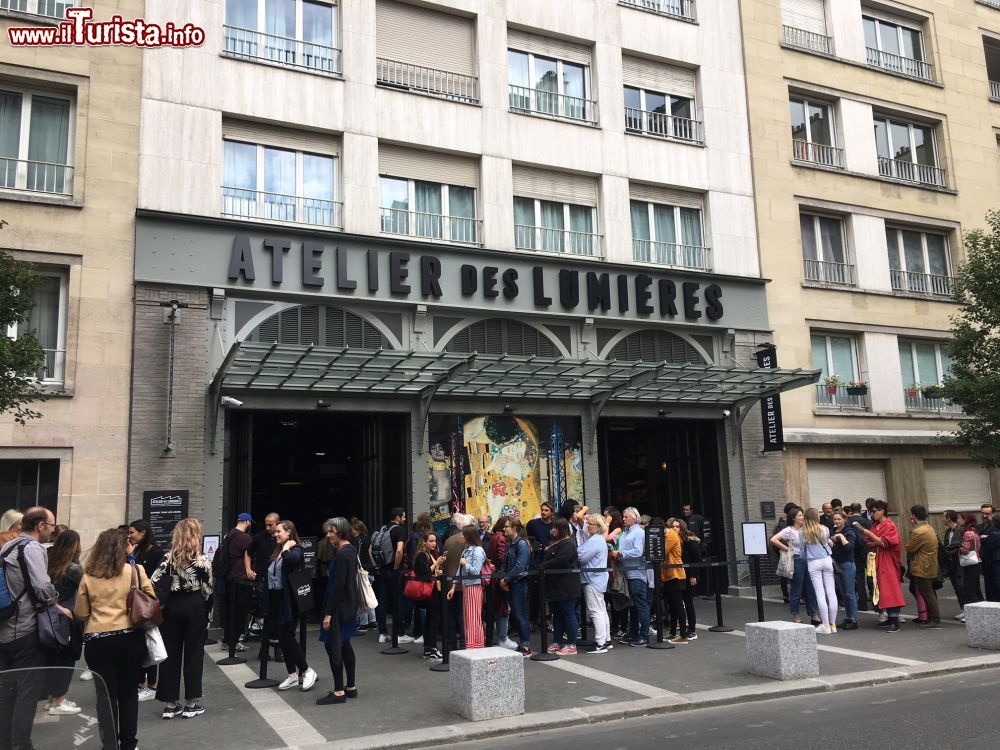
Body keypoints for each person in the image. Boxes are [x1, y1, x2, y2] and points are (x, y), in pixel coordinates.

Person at [76, 528, 153, 750]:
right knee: (129, 693)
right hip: (130, 638)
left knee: (105, 697)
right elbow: (151, 600)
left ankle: (109, 745)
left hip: (98, 640)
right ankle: (129, 744)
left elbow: (81, 613)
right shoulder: (135, 571)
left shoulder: (88, 576)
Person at [0, 506, 69, 750]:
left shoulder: (7, 546)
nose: (52, 531)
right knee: (27, 692)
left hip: (4, 628)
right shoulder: (31, 548)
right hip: (26, 628)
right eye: (51, 526)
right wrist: (55, 601)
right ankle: (20, 745)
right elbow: (41, 586)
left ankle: (6, 743)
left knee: (7, 691)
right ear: (40, 526)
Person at [152, 518, 214, 719]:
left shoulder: (167, 558)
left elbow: (154, 581)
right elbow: (208, 589)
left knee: (170, 654)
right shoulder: (203, 560)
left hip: (171, 607)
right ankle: (191, 703)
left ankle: (170, 704)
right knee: (194, 654)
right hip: (194, 605)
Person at [268, 520, 319, 692]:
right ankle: (292, 674)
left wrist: (286, 547)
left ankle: (307, 670)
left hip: (289, 601)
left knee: (287, 637)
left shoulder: (295, 549)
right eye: (275, 532)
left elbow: (292, 559)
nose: (276, 534)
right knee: (282, 638)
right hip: (277, 600)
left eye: (279, 531)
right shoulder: (278, 551)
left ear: (289, 532)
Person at [317, 517, 361, 705]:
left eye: (331, 532)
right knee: (344, 643)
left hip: (338, 607)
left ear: (340, 532)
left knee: (333, 645)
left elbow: (337, 586)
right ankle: (350, 686)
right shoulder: (351, 550)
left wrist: (328, 612)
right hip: (348, 604)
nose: (328, 536)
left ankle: (338, 691)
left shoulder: (342, 554)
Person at [45, 528, 84, 715]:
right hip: (68, 618)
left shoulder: (48, 562)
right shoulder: (74, 569)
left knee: (54, 659)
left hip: (48, 617)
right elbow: (87, 590)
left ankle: (52, 698)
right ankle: (58, 702)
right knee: (67, 659)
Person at [127, 518, 164, 702]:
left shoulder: (156, 552)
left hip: (146, 603)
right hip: (135, 602)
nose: (129, 536)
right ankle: (140, 682)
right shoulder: (136, 550)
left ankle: (152, 684)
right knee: (139, 644)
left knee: (149, 643)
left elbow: (155, 578)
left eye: (132, 532)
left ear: (143, 533)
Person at [856, 499, 905, 632]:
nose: (871, 514)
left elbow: (886, 543)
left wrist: (871, 536)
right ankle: (889, 617)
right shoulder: (875, 525)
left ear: (882, 511)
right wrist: (875, 540)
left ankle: (894, 619)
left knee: (890, 588)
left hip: (887, 560)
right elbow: (868, 543)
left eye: (874, 511)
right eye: (870, 511)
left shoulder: (889, 525)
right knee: (880, 588)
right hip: (877, 559)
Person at [769, 507, 820, 625]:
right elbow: (773, 539)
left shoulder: (806, 529)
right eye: (799, 515)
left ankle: (813, 614)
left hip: (809, 559)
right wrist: (787, 548)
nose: (802, 517)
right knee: (797, 588)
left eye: (802, 515)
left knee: (810, 588)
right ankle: (796, 615)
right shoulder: (788, 530)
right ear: (793, 518)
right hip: (796, 559)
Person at [537, 518, 580, 655]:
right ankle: (558, 641)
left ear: (562, 529)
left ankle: (571, 643)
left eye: (556, 528)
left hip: (566, 585)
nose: (553, 530)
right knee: (557, 614)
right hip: (555, 585)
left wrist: (542, 566)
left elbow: (561, 560)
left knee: (568, 613)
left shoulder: (568, 543)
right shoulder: (556, 542)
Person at [372, 508, 408, 644]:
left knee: (382, 600)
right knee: (397, 600)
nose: (404, 519)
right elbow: (399, 550)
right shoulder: (398, 530)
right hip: (393, 569)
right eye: (403, 517)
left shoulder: (382, 529)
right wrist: (396, 567)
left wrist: (377, 564)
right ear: (398, 517)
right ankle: (399, 633)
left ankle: (383, 633)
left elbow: (371, 550)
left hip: (381, 570)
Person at [614, 507, 650, 647]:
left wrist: (621, 553)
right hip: (628, 573)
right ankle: (634, 633)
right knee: (633, 606)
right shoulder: (627, 532)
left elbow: (638, 551)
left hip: (637, 574)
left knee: (640, 605)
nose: (623, 519)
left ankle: (644, 635)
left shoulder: (639, 532)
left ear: (635, 518)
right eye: (623, 516)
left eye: (626, 517)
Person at [449, 524, 486, 650]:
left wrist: (465, 564)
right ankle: (472, 644)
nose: (461, 536)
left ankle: (475, 644)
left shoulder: (478, 550)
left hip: (474, 586)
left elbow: (475, 571)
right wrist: (454, 586)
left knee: (473, 616)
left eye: (463, 534)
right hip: (467, 586)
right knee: (469, 616)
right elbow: (459, 571)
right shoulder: (467, 550)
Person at [499, 518, 532, 657]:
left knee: (521, 615)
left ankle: (525, 646)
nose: (504, 529)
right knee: (517, 615)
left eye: (506, 527)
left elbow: (520, 566)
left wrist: (506, 579)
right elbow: (505, 563)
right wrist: (502, 578)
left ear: (514, 528)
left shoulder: (522, 544)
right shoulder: (509, 543)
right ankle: (523, 644)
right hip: (511, 583)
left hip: (518, 583)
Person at [904, 505, 941, 629]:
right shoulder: (929, 528)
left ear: (914, 515)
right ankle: (932, 617)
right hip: (929, 564)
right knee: (929, 592)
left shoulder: (918, 531)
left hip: (922, 566)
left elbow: (909, 548)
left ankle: (934, 619)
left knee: (927, 593)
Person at [222, 512, 254, 652]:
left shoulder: (229, 535)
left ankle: (227, 640)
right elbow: (254, 554)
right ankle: (234, 642)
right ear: (247, 522)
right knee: (240, 613)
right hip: (242, 579)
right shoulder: (245, 538)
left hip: (230, 577)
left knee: (231, 610)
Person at [802, 508, 837, 634]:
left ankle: (825, 625)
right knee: (831, 592)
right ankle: (833, 625)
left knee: (820, 594)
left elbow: (802, 550)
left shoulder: (803, 531)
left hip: (813, 562)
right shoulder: (825, 529)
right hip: (827, 560)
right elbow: (827, 542)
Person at [578, 513, 610, 653]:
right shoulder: (599, 539)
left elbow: (581, 557)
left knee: (596, 611)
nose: (588, 526)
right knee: (601, 610)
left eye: (590, 524)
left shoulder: (595, 540)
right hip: (598, 578)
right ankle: (606, 640)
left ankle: (600, 642)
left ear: (598, 527)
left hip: (592, 579)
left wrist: (579, 550)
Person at [412, 531, 446, 660]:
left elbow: (432, 572)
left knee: (431, 619)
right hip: (429, 591)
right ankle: (432, 648)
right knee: (432, 620)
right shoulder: (421, 555)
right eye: (430, 541)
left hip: (434, 590)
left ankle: (428, 649)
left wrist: (438, 568)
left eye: (435, 541)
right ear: (424, 542)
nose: (433, 543)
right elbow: (424, 574)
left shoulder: (430, 554)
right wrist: (436, 564)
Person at [442, 512, 470, 650]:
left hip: (449, 581)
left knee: (451, 614)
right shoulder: (467, 540)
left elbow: (445, 560)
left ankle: (452, 643)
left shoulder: (449, 540)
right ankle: (464, 643)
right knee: (462, 613)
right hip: (463, 581)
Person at [672, 517, 701, 640]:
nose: (674, 528)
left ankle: (692, 630)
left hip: (688, 574)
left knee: (688, 602)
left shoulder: (689, 540)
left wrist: (694, 575)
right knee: (678, 603)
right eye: (673, 526)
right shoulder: (673, 540)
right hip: (678, 575)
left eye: (677, 526)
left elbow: (697, 558)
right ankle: (680, 628)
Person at [829, 510, 859, 630]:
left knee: (850, 592)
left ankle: (853, 619)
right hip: (836, 564)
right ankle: (848, 617)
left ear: (844, 519)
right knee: (843, 593)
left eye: (839, 519)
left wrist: (841, 537)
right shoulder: (831, 531)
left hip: (847, 564)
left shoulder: (849, 531)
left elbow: (849, 547)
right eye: (835, 519)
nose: (836, 521)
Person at [487, 516, 512, 648]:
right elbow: (502, 557)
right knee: (503, 608)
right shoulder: (501, 538)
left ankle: (500, 636)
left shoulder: (493, 537)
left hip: (493, 576)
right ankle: (503, 637)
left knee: (498, 608)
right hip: (500, 576)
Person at [661, 519, 688, 644]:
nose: (675, 528)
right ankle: (672, 632)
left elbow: (662, 552)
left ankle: (683, 635)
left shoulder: (671, 535)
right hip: (669, 575)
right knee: (672, 606)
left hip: (676, 575)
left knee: (678, 605)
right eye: (673, 526)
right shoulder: (669, 535)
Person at [349, 518, 376, 632]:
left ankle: (363, 623)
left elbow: (355, 556)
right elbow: (370, 553)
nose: (351, 531)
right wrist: (374, 565)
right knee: (369, 596)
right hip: (369, 570)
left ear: (357, 530)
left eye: (353, 529)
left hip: (361, 571)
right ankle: (372, 621)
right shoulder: (368, 539)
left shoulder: (356, 540)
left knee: (361, 597)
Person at [771, 502, 798, 604]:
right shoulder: (786, 525)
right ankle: (791, 595)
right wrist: (787, 548)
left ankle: (785, 595)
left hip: (781, 551)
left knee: (784, 573)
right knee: (789, 573)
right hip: (788, 551)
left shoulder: (780, 523)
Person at [847, 503, 872, 613]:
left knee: (859, 578)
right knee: (871, 575)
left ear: (851, 511)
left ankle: (862, 603)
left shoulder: (848, 522)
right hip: (867, 550)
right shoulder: (868, 521)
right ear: (860, 509)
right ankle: (875, 600)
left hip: (855, 553)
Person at [942, 510, 966, 619]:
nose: (942, 519)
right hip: (951, 563)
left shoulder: (960, 530)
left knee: (962, 586)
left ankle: (968, 610)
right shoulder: (948, 532)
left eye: (944, 517)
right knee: (956, 587)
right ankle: (963, 609)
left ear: (949, 518)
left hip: (960, 562)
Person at [959, 511, 984, 605]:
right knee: (976, 589)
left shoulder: (967, 533)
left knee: (970, 590)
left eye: (961, 518)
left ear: (966, 520)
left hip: (971, 564)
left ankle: (977, 612)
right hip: (977, 562)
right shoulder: (974, 531)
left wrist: (958, 547)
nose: (959, 520)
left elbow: (965, 550)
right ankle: (984, 610)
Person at [980, 516, 1000, 603]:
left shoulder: (995, 535)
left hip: (995, 561)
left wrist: (985, 538)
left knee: (994, 585)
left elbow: (988, 548)